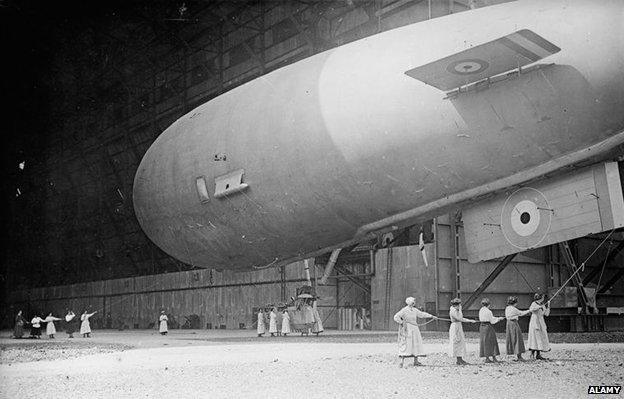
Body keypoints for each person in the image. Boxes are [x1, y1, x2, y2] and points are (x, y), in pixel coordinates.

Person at [393, 296, 437, 367]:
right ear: (410, 302)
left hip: (415, 328)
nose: (414, 303)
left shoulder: (415, 310)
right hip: (407, 328)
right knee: (407, 343)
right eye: (413, 302)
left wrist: (431, 316)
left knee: (416, 342)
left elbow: (422, 314)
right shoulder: (404, 310)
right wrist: (401, 322)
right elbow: (396, 317)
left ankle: (416, 361)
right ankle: (401, 362)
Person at [449, 298, 477, 365]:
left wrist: (470, 320)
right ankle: (459, 360)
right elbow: (460, 318)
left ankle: (460, 359)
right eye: (459, 305)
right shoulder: (453, 311)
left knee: (460, 342)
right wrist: (460, 310)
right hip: (455, 327)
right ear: (457, 305)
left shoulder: (456, 310)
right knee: (457, 341)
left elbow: (461, 318)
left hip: (458, 326)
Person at [505, 296, 531, 361]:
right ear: (515, 303)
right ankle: (519, 356)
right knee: (517, 338)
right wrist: (529, 310)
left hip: (508, 324)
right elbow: (521, 313)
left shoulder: (507, 308)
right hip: (514, 323)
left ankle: (514, 354)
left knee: (512, 338)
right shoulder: (513, 309)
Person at [478, 298, 502, 363]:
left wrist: (496, 318)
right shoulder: (489, 311)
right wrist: (498, 319)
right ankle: (494, 357)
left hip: (482, 327)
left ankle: (487, 358)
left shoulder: (481, 310)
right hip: (488, 327)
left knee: (485, 342)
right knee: (492, 341)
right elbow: (492, 321)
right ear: (488, 304)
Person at [527, 293, 551, 360]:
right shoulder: (534, 303)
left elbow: (546, 314)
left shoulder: (542, 304)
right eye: (542, 297)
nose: (543, 298)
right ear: (540, 297)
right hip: (535, 322)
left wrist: (548, 306)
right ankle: (531, 354)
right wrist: (538, 307)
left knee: (540, 337)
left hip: (541, 321)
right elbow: (531, 310)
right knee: (534, 337)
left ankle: (538, 355)